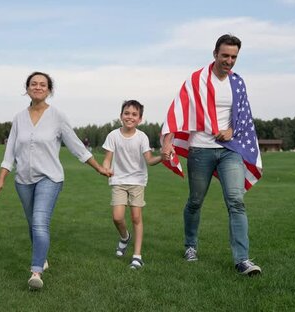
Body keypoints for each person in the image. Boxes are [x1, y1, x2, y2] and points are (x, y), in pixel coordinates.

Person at [0, 71, 111, 290]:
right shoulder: (19, 118)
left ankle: (36, 271)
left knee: (39, 222)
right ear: (27, 88)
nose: (38, 87)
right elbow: (10, 152)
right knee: (32, 223)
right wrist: (1, 179)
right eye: (33, 84)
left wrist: (98, 167)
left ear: (49, 90)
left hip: (50, 178)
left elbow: (75, 145)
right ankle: (42, 255)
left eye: (42, 84)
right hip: (23, 180)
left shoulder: (57, 116)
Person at [161, 34, 263, 276]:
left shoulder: (237, 83)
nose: (229, 61)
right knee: (195, 201)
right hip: (201, 150)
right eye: (225, 55)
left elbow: (244, 118)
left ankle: (242, 260)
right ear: (215, 53)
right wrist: (167, 142)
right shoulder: (196, 80)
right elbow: (178, 111)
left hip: (230, 150)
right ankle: (190, 246)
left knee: (236, 202)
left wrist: (231, 131)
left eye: (234, 57)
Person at [102, 100, 161, 269]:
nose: (130, 117)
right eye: (127, 113)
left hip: (137, 181)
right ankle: (124, 237)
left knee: (136, 217)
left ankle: (137, 256)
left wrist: (162, 158)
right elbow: (107, 159)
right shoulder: (113, 135)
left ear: (140, 119)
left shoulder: (142, 137)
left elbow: (149, 160)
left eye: (134, 114)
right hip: (119, 181)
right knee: (117, 217)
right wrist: (105, 168)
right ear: (121, 116)